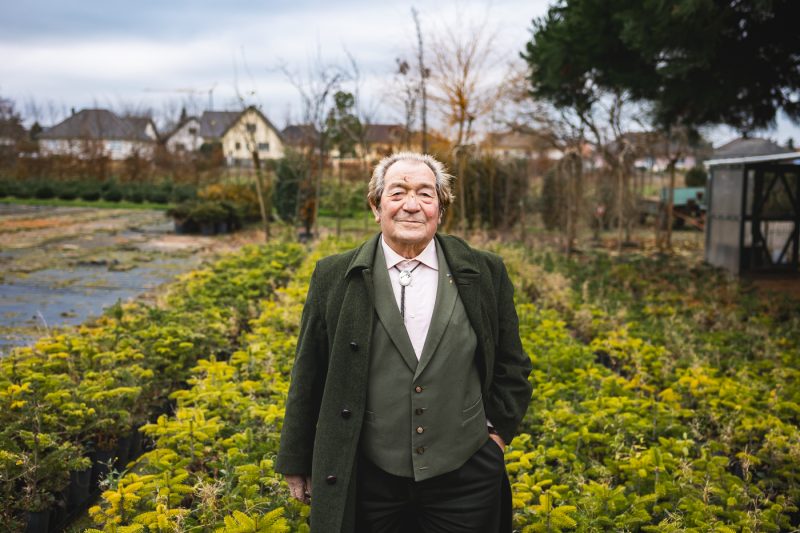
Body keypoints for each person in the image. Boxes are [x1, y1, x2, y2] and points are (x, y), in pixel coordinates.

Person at [276, 152, 532, 533]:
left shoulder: (483, 271)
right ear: (376, 207)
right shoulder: (333, 275)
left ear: (440, 210)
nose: (411, 205)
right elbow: (308, 370)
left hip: (464, 476)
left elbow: (513, 365)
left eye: (426, 195)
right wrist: (297, 458)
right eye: (398, 193)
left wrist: (496, 439)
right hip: (367, 476)